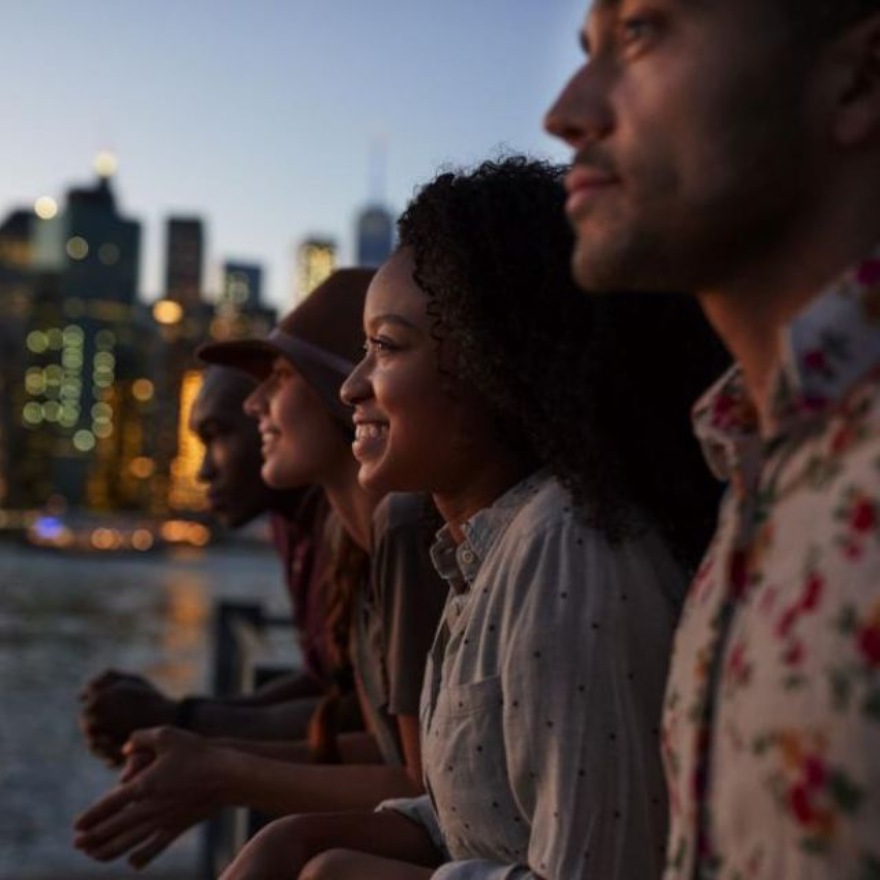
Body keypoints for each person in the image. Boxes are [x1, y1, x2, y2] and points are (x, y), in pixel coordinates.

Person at [220, 156, 728, 880]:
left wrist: (350, 874)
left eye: (387, 348)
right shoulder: (483, 556)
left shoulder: (568, 555)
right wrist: (306, 838)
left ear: (495, 368)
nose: (354, 386)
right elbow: (487, 815)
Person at [545, 2, 880, 877]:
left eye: (642, 31)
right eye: (587, 48)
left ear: (860, 78)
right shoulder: (753, 460)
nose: (565, 110)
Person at [73, 269, 449, 872]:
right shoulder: (348, 540)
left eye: (277, 377)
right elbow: (379, 741)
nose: (255, 406)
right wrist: (207, 750)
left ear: (343, 388)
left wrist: (221, 767)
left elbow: (424, 783)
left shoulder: (407, 532)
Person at [78, 364, 342, 763]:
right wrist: (176, 719)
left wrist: (179, 718)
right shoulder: (291, 528)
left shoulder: (362, 531)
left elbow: (370, 720)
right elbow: (327, 683)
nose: (203, 471)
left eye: (218, 434)